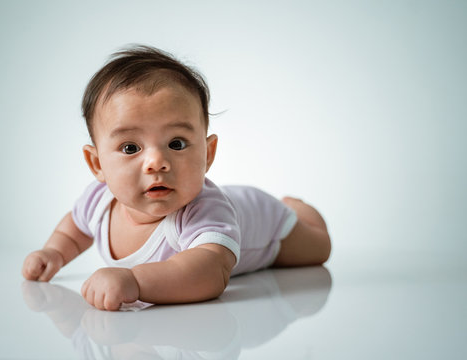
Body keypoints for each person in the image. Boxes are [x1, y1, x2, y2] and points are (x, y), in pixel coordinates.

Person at [22, 45, 331, 311]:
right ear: (96, 163)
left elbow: (210, 273)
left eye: (177, 143)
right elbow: (75, 228)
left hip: (267, 222)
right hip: (241, 204)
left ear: (207, 154)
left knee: (318, 248)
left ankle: (297, 207)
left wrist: (136, 281)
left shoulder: (204, 210)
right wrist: (54, 253)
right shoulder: (98, 201)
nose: (157, 162)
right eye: (130, 147)